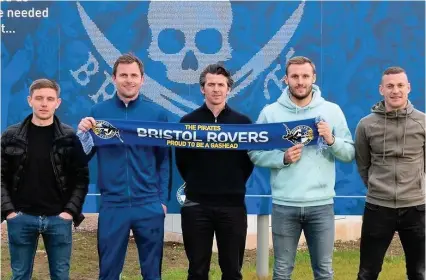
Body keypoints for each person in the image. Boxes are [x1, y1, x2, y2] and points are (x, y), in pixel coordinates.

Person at [249, 56, 355, 280]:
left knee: (324, 271)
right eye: (295, 76)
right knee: (282, 271)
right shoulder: (271, 113)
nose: (300, 81)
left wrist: (331, 140)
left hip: (321, 206)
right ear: (285, 79)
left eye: (305, 76)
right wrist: (283, 158)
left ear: (313, 78)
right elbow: (255, 152)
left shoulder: (332, 111)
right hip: (284, 205)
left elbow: (349, 154)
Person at [77, 53, 171, 280]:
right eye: (123, 75)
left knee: (152, 272)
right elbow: (83, 156)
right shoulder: (98, 113)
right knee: (108, 271)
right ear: (114, 78)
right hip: (113, 203)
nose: (128, 80)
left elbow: (164, 161)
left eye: (133, 75)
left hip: (148, 203)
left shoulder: (157, 114)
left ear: (142, 79)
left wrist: (162, 201)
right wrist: (82, 134)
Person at [1, 78, 89, 280]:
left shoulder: (69, 137)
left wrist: (69, 212)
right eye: (39, 98)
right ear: (29, 100)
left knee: (60, 275)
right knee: (20, 275)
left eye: (50, 99)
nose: (44, 103)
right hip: (21, 218)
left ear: (58, 103)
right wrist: (9, 212)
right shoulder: (11, 135)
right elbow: (1, 176)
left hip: (58, 219)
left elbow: (81, 178)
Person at [175, 64, 254, 280]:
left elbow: (249, 163)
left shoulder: (243, 123)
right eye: (211, 84)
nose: (216, 89)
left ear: (229, 89)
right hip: (196, 206)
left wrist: (232, 183)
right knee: (197, 271)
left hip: (233, 207)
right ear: (203, 88)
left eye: (221, 85)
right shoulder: (188, 123)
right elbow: (181, 161)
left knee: (232, 271)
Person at [355, 66, 425, 280]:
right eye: (390, 86)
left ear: (409, 88)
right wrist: (378, 187)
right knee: (368, 272)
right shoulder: (366, 125)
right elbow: (363, 164)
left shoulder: (423, 122)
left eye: (400, 85)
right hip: (378, 207)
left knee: (418, 272)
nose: (396, 91)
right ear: (381, 89)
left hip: (415, 208)